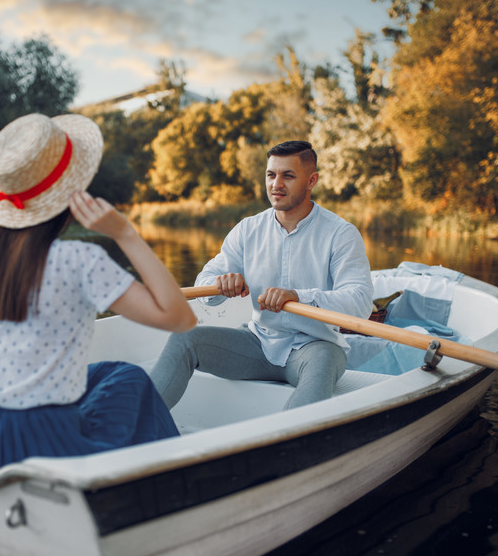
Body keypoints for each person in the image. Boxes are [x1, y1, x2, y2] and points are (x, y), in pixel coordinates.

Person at [0, 112, 197, 471]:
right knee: (132, 381)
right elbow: (180, 318)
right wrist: (125, 233)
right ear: (68, 195)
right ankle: (171, 476)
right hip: (39, 441)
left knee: (116, 373)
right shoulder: (79, 260)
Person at [149, 140, 373, 410]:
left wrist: (299, 297)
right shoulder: (248, 229)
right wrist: (220, 286)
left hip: (314, 348)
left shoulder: (341, 233)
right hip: (258, 343)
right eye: (271, 175)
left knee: (324, 363)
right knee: (184, 338)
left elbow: (360, 303)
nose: (276, 184)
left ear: (311, 180)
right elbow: (204, 283)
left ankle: (283, 448)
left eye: (288, 176)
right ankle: (131, 433)